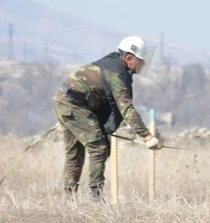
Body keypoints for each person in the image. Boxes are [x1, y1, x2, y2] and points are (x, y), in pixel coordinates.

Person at [52, 35, 163, 201]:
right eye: (141, 60)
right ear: (128, 58)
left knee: (75, 152)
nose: (143, 64)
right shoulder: (116, 73)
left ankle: (69, 199)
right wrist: (147, 136)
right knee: (98, 148)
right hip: (73, 106)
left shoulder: (114, 66)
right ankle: (96, 197)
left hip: (65, 103)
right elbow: (126, 108)